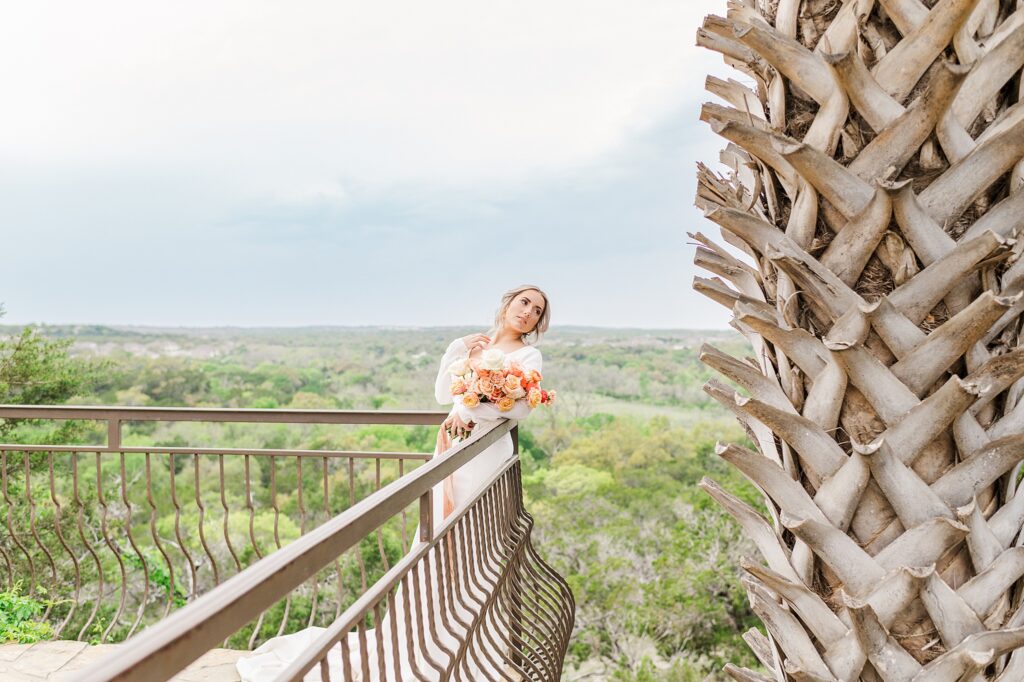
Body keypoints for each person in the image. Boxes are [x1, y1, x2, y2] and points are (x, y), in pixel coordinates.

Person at [236, 285, 550, 682]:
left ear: (538, 322)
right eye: (524, 302)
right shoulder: (476, 345)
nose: (528, 312)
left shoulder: (527, 356)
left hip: (486, 457)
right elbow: (442, 395)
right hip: (452, 451)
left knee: (480, 545)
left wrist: (470, 411)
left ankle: (476, 646)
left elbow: (520, 409)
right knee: (438, 539)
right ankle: (428, 639)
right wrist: (457, 352)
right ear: (507, 304)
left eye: (537, 311)